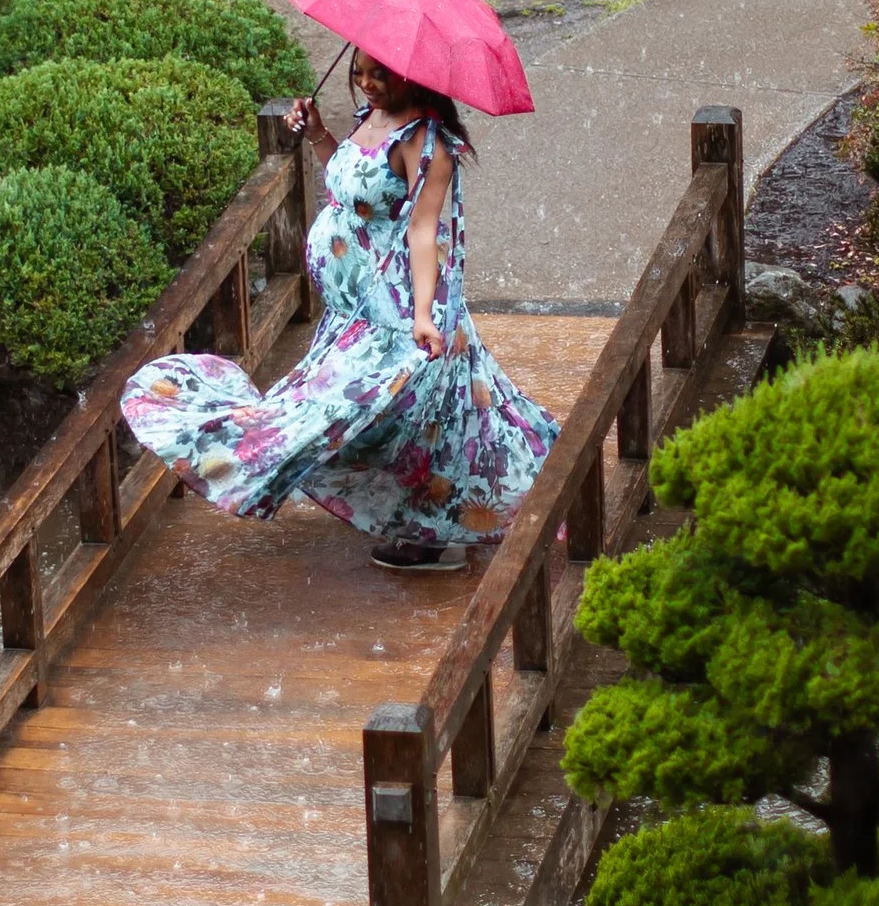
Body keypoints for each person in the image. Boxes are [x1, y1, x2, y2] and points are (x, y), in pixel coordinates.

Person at [120, 50, 556, 571]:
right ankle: (427, 522)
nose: (367, 85)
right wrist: (320, 134)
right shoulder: (372, 118)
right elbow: (356, 191)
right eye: (360, 74)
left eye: (380, 76)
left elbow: (422, 230)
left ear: (411, 75)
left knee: (401, 411)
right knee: (371, 410)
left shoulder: (427, 142)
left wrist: (423, 315)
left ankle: (438, 533)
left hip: (395, 312)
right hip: (356, 307)